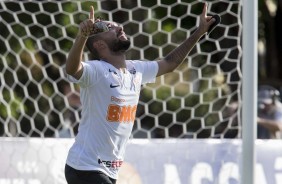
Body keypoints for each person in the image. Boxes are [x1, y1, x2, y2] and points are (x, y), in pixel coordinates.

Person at [64, 3, 216, 184]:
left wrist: (199, 32)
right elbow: (73, 69)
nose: (120, 27)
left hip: (109, 171)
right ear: (99, 44)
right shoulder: (96, 71)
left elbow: (170, 63)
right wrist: (82, 36)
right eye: (111, 28)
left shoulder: (136, 69)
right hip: (85, 167)